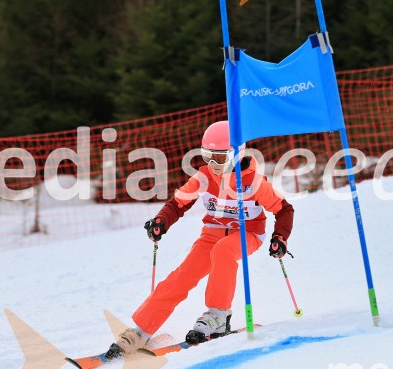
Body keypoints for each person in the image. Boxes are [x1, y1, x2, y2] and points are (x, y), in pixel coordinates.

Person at [107, 120, 294, 356]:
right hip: (211, 234)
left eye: (220, 158)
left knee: (224, 251)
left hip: (247, 234)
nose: (213, 164)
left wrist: (280, 237)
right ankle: (141, 331)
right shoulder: (204, 177)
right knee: (181, 277)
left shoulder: (254, 182)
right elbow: (178, 203)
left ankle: (218, 315)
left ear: (237, 155)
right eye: (207, 157)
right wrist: (161, 221)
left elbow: (284, 210)